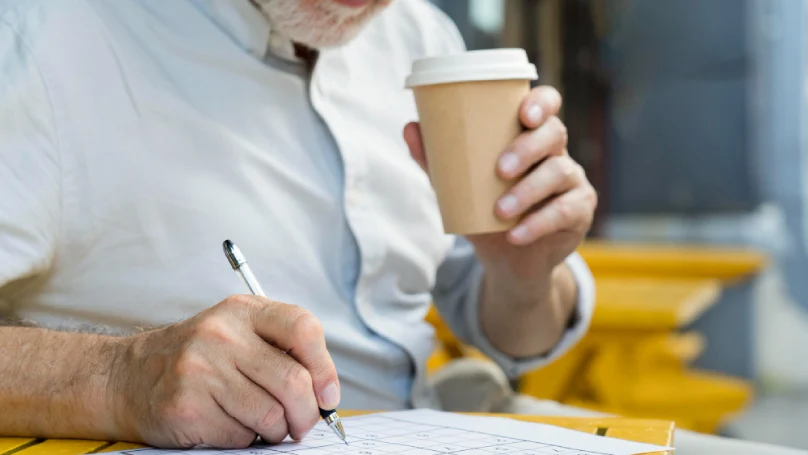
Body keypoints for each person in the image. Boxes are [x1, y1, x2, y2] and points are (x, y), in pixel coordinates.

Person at [0, 1, 802, 454]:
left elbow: (494, 325)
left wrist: (524, 274)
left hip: (438, 428)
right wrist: (119, 378)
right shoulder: (42, 39)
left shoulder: (418, 39)